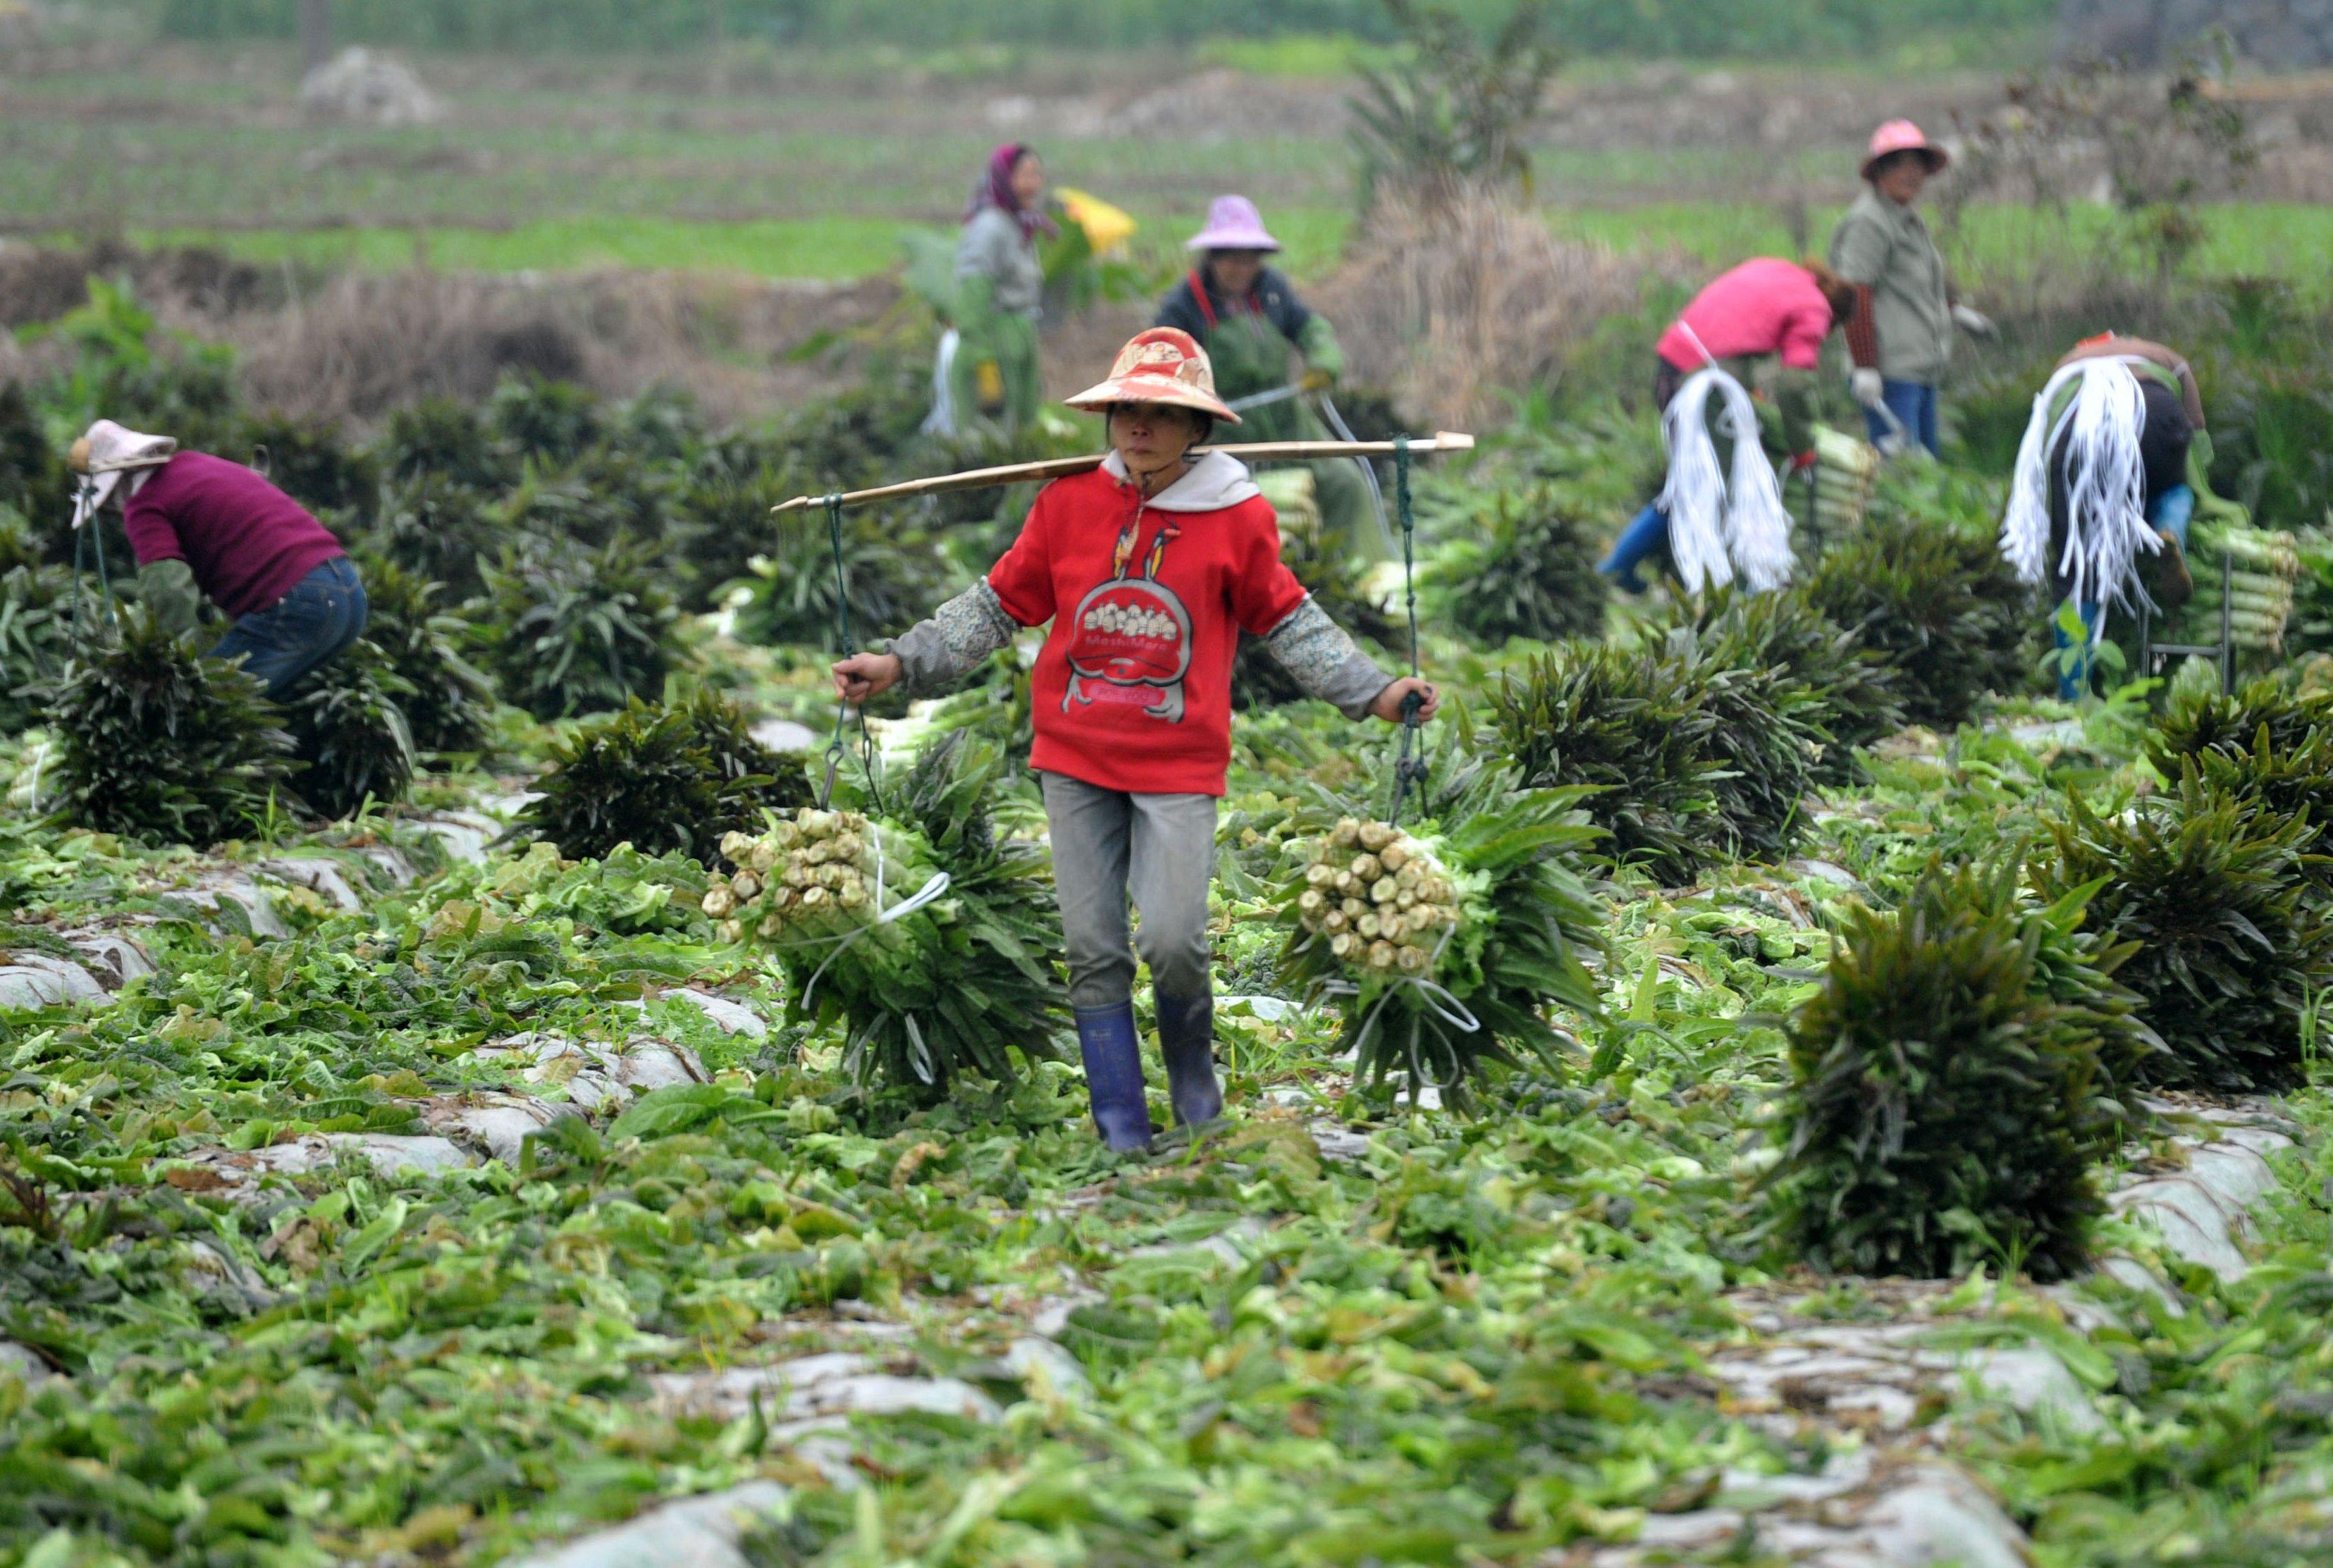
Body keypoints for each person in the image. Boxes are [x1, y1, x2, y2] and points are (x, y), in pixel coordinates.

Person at [831, 328, 1436, 1152]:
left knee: (1175, 941)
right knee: (1092, 946)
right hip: (1075, 758)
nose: (1137, 425)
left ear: (1198, 428)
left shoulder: (1237, 516)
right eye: (1124, 409)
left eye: (1158, 411)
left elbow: (1290, 622)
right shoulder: (1067, 503)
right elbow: (993, 608)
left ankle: (1195, 1096)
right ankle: (1119, 1124)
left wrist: (1377, 691)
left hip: (1177, 765)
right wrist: (897, 663)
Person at [1598, 256, 1859, 594]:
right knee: (1727, 489)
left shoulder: (1781, 271)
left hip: (1675, 366)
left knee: (1693, 485)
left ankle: (1621, 565)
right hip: (1704, 387)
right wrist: (1802, 446)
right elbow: (1794, 385)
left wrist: (1748, 390)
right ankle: (1744, 591)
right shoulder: (1816, 308)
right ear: (1834, 317)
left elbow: (1735, 332)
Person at [69, 419, 366, 698]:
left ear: (115, 484)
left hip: (298, 605)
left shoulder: (144, 504)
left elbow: (169, 593)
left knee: (210, 709)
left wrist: (176, 668)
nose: (116, 510)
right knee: (263, 709)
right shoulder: (196, 463)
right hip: (348, 593)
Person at [1153, 196, 1377, 558]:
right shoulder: (1184, 306)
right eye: (1231, 259)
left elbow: (1310, 328)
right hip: (1223, 428)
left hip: (1288, 418)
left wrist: (1322, 361)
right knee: (1253, 505)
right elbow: (1162, 365)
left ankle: (1353, 573)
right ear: (1212, 257)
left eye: (1250, 259)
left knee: (1344, 484)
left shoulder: (1271, 290)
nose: (1242, 269)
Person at [1999, 335, 2208, 699]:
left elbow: (2048, 431)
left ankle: (2073, 693)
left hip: (2082, 425)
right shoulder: (2164, 355)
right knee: (2174, 488)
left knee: (2075, 567)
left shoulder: (2069, 361)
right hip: (2158, 410)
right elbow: (2198, 436)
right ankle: (2169, 530)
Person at [1828, 120, 1995, 457]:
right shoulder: (1870, 221)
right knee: (1900, 469)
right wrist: (1865, 367)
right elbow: (1855, 293)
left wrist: (1955, 311)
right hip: (1890, 374)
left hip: (1919, 369)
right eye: (1898, 164)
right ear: (1879, 172)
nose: (1910, 173)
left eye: (1917, 164)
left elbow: (1912, 287)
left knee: (1923, 464)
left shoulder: (1906, 218)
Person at [949, 142, 1052, 436]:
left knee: (1020, 432)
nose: (1034, 184)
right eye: (1025, 175)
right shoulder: (990, 229)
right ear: (1004, 179)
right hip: (993, 343)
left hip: (1018, 338)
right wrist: (984, 365)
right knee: (990, 437)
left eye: (1037, 175)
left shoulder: (1019, 226)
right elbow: (972, 301)